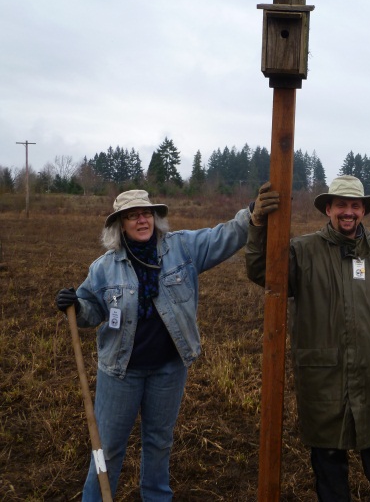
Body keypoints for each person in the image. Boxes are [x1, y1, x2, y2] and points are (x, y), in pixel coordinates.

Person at [55, 188, 278, 501]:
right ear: (121, 224)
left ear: (155, 218)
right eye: (132, 215)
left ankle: (157, 497)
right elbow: (92, 310)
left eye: (146, 213)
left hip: (168, 370)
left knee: (159, 443)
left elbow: (221, 237)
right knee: (107, 446)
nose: (142, 220)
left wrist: (251, 215)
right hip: (121, 372)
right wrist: (76, 307)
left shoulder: (182, 247)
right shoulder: (103, 268)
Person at [246, 175, 370, 501]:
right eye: (341, 205)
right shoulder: (302, 253)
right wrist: (258, 224)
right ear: (328, 208)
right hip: (324, 381)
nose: (348, 212)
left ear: (364, 211)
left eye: (355, 206)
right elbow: (263, 272)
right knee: (329, 472)